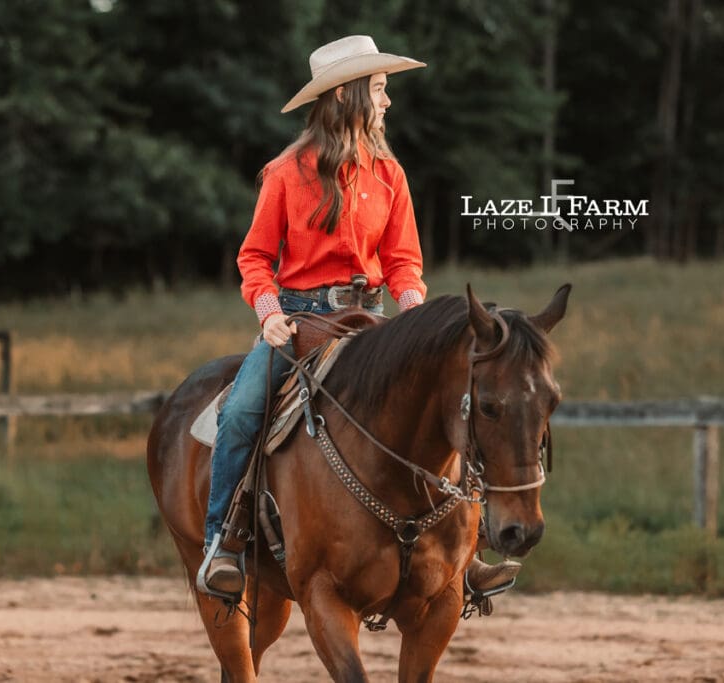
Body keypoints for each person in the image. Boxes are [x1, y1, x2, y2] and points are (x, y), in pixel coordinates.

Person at [197, 35, 519, 599]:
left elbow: (403, 261)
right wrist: (269, 314)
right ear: (346, 95)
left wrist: (414, 313)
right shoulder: (285, 173)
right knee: (243, 411)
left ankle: (465, 553)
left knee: (447, 401)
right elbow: (254, 258)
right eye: (380, 89)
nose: (387, 101)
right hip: (299, 321)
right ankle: (222, 543)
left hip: (373, 319)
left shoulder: (389, 174)